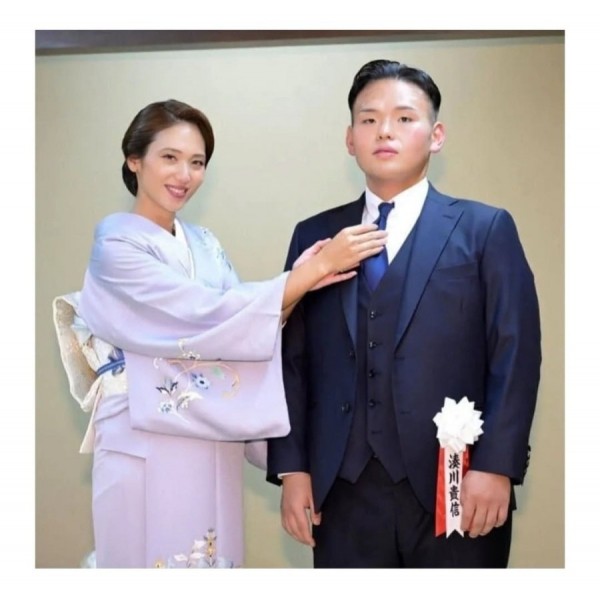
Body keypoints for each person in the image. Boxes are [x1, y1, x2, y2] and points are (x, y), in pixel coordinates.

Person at [52, 99, 386, 568]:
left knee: (211, 554)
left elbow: (240, 330)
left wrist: (301, 284)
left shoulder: (205, 244)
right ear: (134, 160)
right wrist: (308, 274)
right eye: (169, 157)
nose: (184, 175)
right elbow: (202, 316)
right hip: (142, 435)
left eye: (197, 162)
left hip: (211, 434)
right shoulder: (116, 242)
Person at [267, 60, 541, 568]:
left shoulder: (485, 229)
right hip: (340, 491)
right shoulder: (315, 236)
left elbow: (515, 353)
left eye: (404, 118)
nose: (384, 131)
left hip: (457, 485)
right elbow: (292, 361)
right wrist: (292, 468)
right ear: (349, 138)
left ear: (436, 136)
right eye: (368, 119)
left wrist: (497, 466)